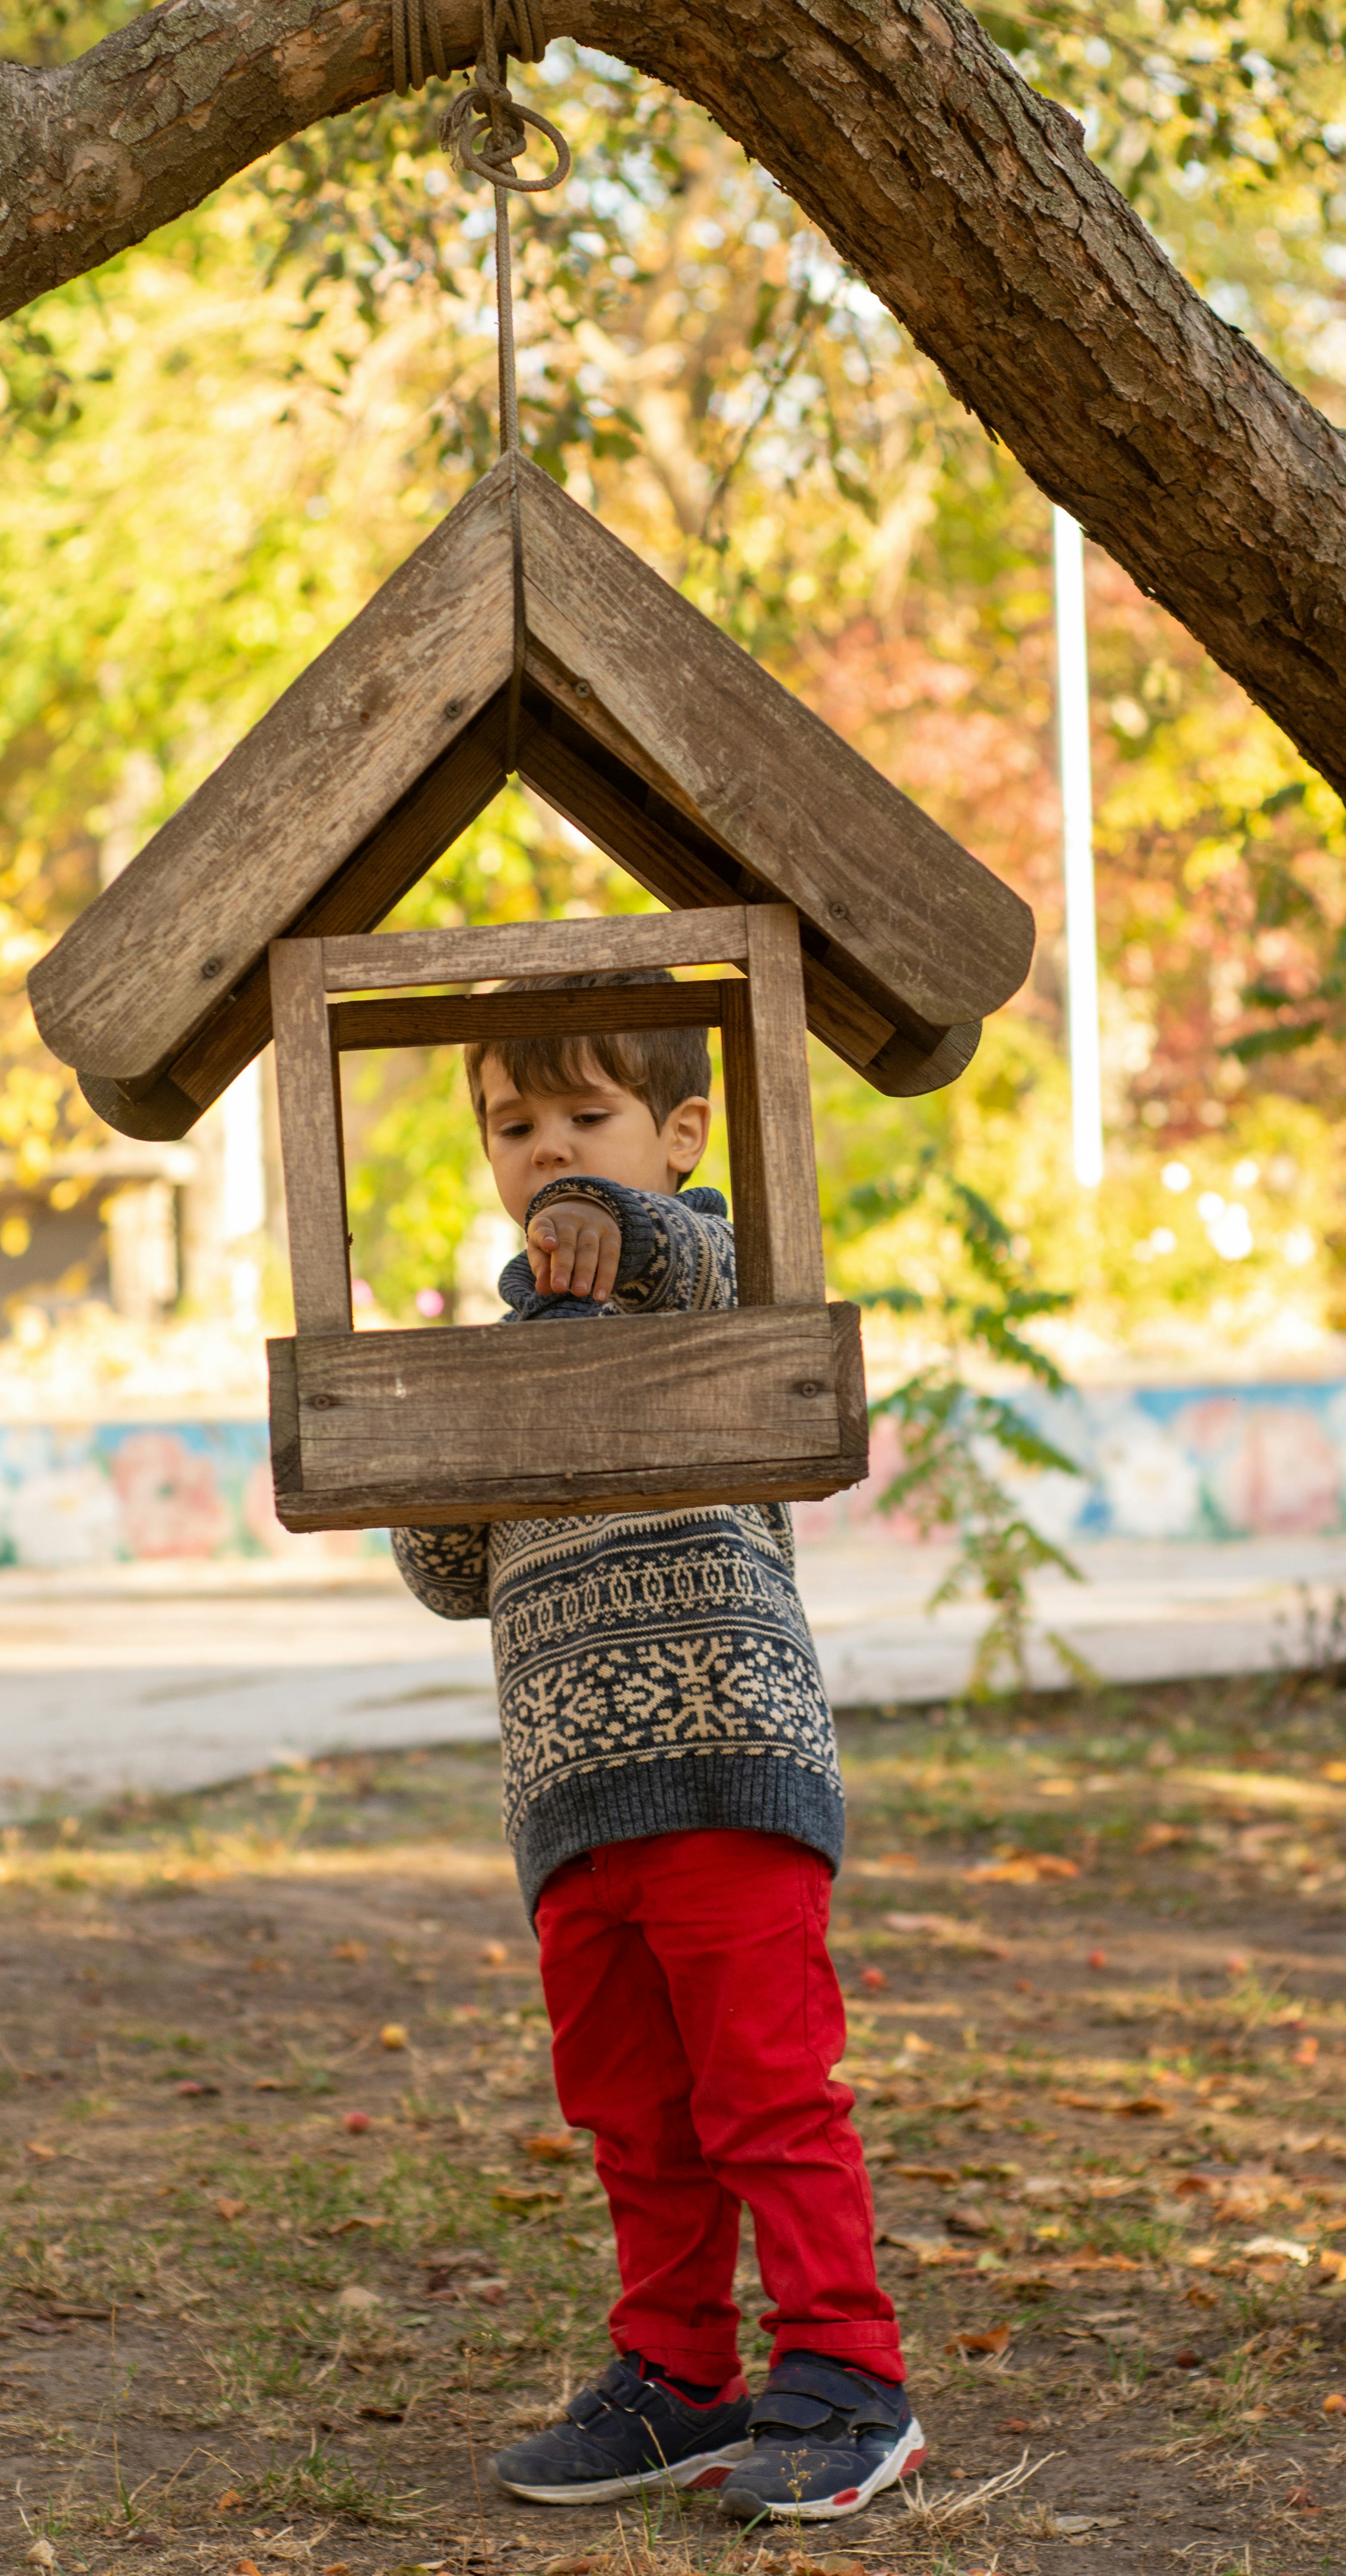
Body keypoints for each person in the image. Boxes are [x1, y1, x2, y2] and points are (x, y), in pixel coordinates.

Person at [388, 969, 922, 2525]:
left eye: (589, 1117)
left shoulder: (717, 1278)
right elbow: (450, 1576)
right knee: (633, 2106)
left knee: (764, 2089)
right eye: (516, 1123)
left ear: (682, 1132)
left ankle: (847, 2373)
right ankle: (680, 2375)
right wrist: (442, 1444)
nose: (548, 1149)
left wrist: (622, 1237)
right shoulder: (503, 1347)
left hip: (723, 1763)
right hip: (570, 1797)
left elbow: (694, 1261)